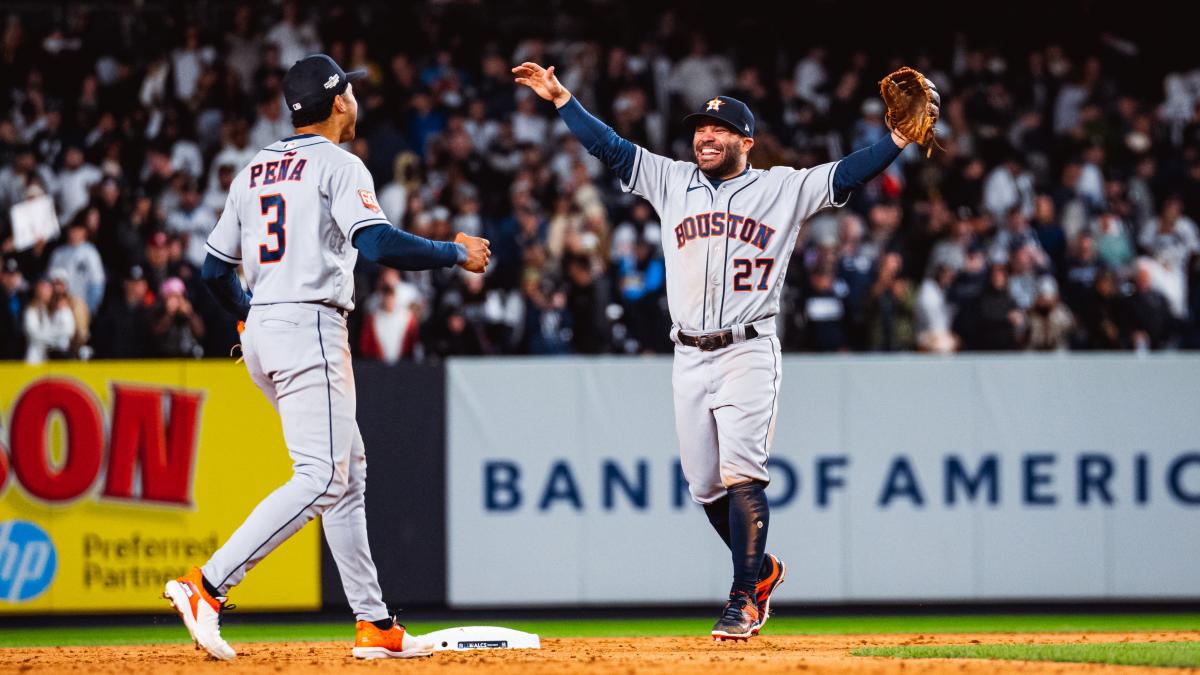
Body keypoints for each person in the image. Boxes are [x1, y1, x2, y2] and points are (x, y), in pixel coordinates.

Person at [514, 60, 927, 639]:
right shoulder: (669, 180)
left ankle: (742, 600)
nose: (705, 137)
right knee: (704, 487)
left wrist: (898, 139)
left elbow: (847, 173)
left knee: (741, 476)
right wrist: (561, 99)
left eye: (719, 131)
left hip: (747, 349)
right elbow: (608, 147)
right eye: (699, 130)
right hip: (687, 353)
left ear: (745, 142)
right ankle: (762, 570)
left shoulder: (781, 187)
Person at [163, 54, 490, 661]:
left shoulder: (253, 169)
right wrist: (454, 251)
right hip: (310, 322)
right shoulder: (340, 164)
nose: (357, 102)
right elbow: (379, 242)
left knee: (346, 473)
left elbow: (213, 270)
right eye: (353, 94)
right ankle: (206, 586)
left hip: (265, 326)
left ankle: (374, 624)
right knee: (322, 475)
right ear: (339, 101)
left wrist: (247, 315)